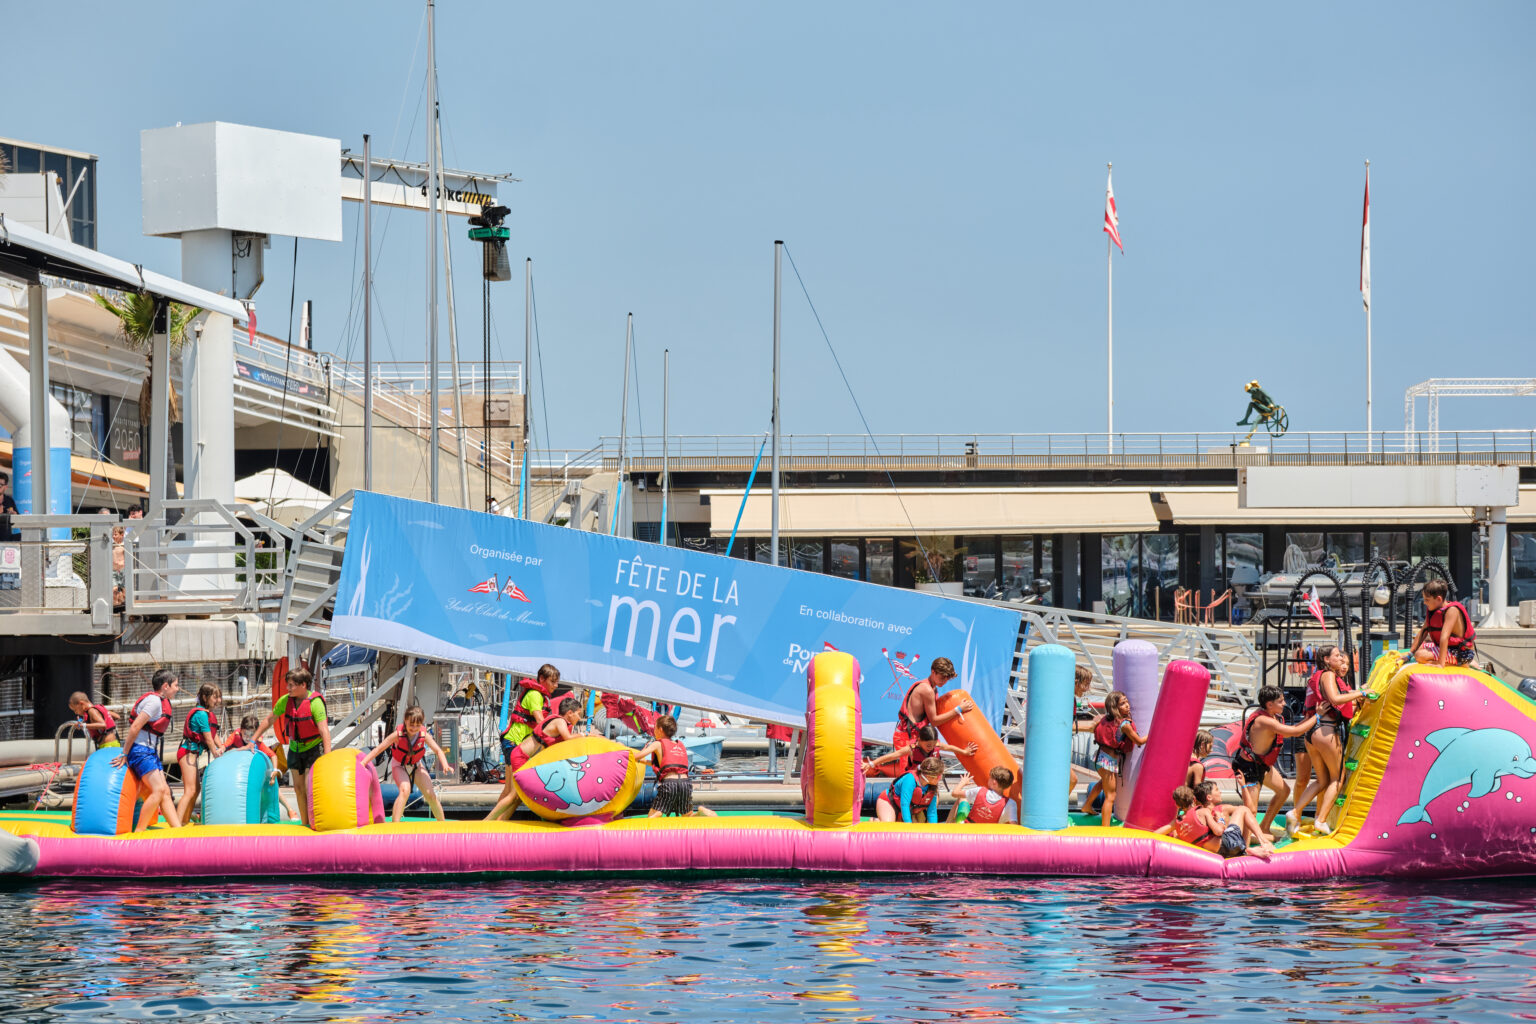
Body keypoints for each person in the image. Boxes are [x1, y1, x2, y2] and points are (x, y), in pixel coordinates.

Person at [1287, 645, 1366, 836]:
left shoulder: (1321, 676)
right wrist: (1362, 693)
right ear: (1326, 660)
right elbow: (1335, 699)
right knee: (1337, 779)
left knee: (1322, 780)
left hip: (1314, 733)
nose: (1341, 659)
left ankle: (1295, 812)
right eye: (1337, 656)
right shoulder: (1328, 675)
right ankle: (1320, 821)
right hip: (1326, 730)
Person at [484, 694, 585, 821]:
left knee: (519, 797)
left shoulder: (560, 722)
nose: (579, 718)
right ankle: (486, 823)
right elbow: (568, 738)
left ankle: (500, 823)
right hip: (520, 756)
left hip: (524, 757)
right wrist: (584, 734)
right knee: (514, 795)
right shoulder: (560, 721)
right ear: (570, 713)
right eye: (578, 714)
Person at [1232, 685, 1317, 836]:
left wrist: (1307, 718)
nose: (1284, 704)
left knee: (1284, 791)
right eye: (1281, 701)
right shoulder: (1264, 720)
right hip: (1249, 768)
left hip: (1262, 766)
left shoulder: (1274, 717)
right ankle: (1243, 842)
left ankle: (1264, 827)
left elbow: (1294, 728)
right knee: (1251, 809)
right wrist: (1318, 717)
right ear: (1269, 704)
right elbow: (1295, 732)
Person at [253, 667, 331, 828]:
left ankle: (315, 824)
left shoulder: (315, 703)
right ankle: (305, 824)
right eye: (287, 685)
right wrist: (253, 739)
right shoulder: (285, 701)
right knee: (298, 788)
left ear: (303, 685)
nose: (288, 688)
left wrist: (328, 756)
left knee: (310, 788)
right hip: (295, 750)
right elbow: (270, 719)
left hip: (313, 749)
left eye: (291, 685)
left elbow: (324, 731)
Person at [111, 669, 183, 832]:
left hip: (149, 752)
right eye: (176, 685)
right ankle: (139, 832)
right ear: (166, 686)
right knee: (158, 790)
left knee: (164, 791)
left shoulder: (160, 700)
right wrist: (125, 753)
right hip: (140, 751)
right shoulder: (154, 702)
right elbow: (135, 726)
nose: (177, 689)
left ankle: (178, 831)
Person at [366, 705, 455, 823]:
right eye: (411, 725)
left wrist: (445, 765)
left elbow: (438, 750)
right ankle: (395, 826)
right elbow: (379, 749)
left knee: (431, 795)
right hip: (399, 765)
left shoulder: (424, 735)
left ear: (422, 724)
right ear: (405, 721)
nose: (414, 728)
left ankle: (442, 824)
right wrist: (363, 762)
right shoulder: (397, 735)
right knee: (405, 790)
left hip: (416, 765)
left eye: (418, 725)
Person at [630, 714, 716, 818]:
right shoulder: (679, 744)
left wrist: (623, 752)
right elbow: (663, 764)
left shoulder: (658, 744)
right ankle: (701, 814)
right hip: (685, 784)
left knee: (653, 815)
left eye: (655, 728)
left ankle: (656, 815)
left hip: (670, 784)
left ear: (660, 730)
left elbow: (636, 756)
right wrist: (642, 761)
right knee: (688, 816)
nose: (654, 731)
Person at [1088, 690, 1148, 827]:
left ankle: (1086, 806)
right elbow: (1139, 741)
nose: (1127, 705)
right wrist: (1153, 732)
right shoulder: (1124, 725)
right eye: (1122, 703)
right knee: (1111, 796)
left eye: (1127, 702)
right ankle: (1105, 828)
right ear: (1115, 707)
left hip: (1100, 758)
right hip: (1107, 761)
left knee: (1102, 784)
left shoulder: (1106, 719)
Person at [893, 658, 972, 753]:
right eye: (942, 678)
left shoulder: (932, 688)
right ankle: (874, 765)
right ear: (933, 672)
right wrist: (958, 709)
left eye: (947, 679)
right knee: (912, 768)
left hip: (915, 737)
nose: (944, 682)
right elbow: (934, 721)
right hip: (906, 737)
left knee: (925, 766)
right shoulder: (927, 690)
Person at [174, 684, 224, 824]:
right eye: (215, 697)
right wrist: (215, 752)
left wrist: (224, 747)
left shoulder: (206, 714)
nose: (218, 700)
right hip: (187, 752)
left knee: (196, 790)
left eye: (219, 697)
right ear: (204, 697)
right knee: (190, 790)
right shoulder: (201, 714)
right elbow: (208, 738)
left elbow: (213, 735)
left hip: (192, 753)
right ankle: (176, 824)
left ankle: (184, 821)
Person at [862, 724, 976, 778]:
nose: (930, 747)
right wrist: (871, 763)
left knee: (933, 797)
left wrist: (964, 752)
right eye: (928, 745)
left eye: (932, 745)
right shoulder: (912, 749)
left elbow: (950, 748)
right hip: (916, 777)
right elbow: (893, 756)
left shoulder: (936, 745)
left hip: (932, 778)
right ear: (919, 740)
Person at [500, 664, 559, 768]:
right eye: (553, 682)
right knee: (516, 781)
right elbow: (540, 721)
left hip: (518, 742)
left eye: (557, 682)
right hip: (513, 742)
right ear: (541, 678)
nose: (556, 685)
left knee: (512, 783)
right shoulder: (534, 695)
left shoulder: (539, 695)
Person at [1411, 580, 1477, 667]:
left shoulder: (1452, 611)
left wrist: (1440, 664)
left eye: (1427, 600)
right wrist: (1409, 655)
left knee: (1419, 655)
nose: (1424, 602)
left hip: (1461, 652)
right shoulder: (1434, 610)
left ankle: (1461, 664)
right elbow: (1423, 631)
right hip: (1448, 648)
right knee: (1419, 648)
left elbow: (1444, 637)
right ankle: (1453, 662)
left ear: (1439, 599)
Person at [874, 756, 945, 823]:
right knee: (888, 825)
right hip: (889, 803)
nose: (941, 778)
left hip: (909, 810)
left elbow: (932, 812)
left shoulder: (932, 787)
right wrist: (908, 825)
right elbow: (905, 804)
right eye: (940, 776)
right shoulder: (910, 779)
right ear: (930, 776)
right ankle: (874, 821)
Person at [948, 765, 1018, 825]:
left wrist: (963, 782)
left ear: (994, 782)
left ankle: (947, 826)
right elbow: (1014, 825)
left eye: (990, 777)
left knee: (962, 798)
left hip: (968, 831)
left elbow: (954, 793)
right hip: (987, 837)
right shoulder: (1011, 804)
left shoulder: (979, 791)